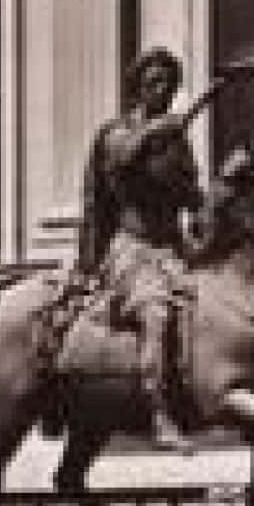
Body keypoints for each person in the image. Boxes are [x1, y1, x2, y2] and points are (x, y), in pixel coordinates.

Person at [76, 48, 207, 452]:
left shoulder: (177, 142)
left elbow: (191, 195)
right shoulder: (115, 132)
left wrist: (202, 205)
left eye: (169, 83)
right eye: (153, 82)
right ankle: (159, 413)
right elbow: (121, 161)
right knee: (156, 312)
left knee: (214, 309)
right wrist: (157, 133)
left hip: (174, 249)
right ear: (138, 88)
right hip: (132, 250)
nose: (162, 90)